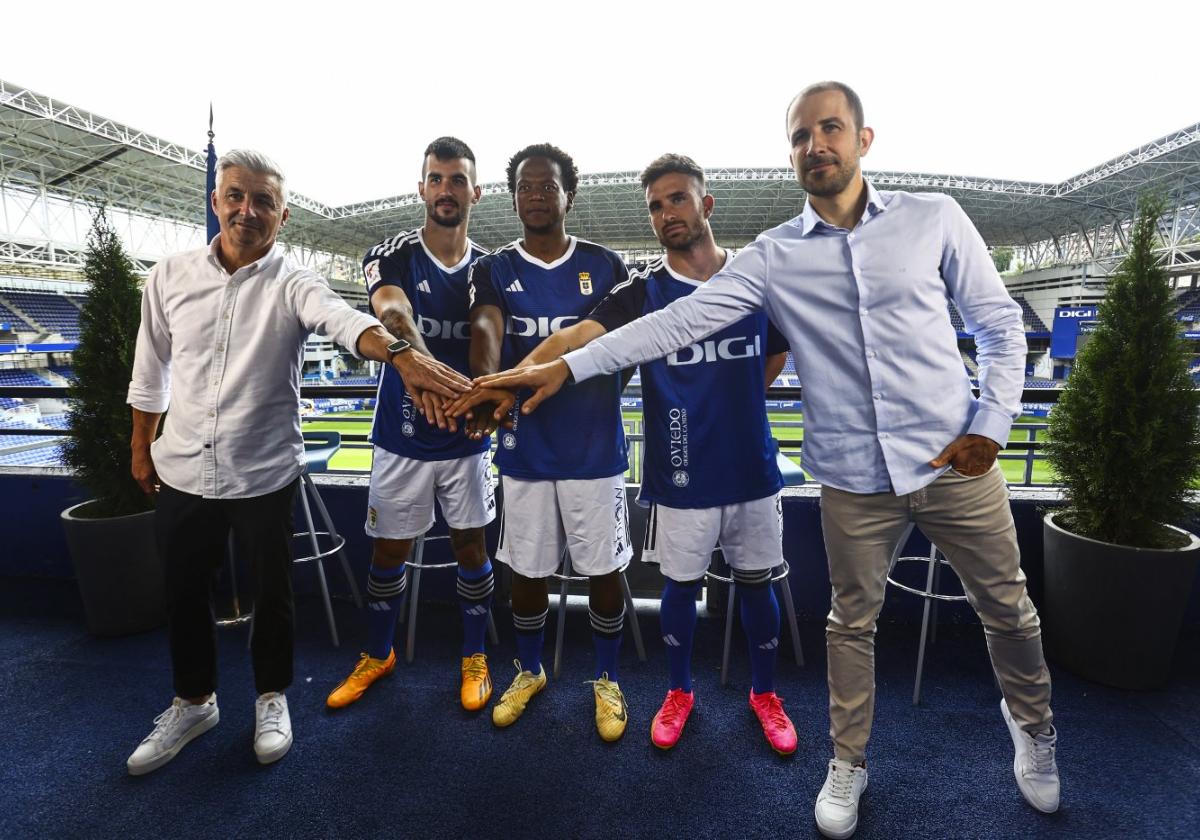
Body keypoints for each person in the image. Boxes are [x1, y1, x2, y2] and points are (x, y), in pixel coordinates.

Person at [461, 83, 1059, 838]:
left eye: (831, 128)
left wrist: (994, 421)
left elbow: (999, 324)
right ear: (792, 152)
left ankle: (1034, 730)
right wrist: (549, 369)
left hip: (934, 463)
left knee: (1006, 606)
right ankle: (843, 758)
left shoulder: (931, 217)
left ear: (863, 139)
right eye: (803, 134)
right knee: (849, 624)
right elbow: (650, 328)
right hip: (810, 476)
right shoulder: (768, 259)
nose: (818, 144)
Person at [125, 149, 469, 775]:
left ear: (281, 216)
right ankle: (194, 701)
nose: (245, 210)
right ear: (216, 201)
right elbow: (151, 371)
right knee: (182, 592)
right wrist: (139, 448)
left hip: (262, 469)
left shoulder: (294, 281)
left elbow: (344, 322)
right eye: (235, 196)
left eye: (261, 201)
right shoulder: (169, 275)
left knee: (273, 593)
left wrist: (399, 354)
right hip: (180, 468)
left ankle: (271, 697)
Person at [452, 153, 799, 753]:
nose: (667, 213)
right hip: (680, 468)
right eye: (657, 206)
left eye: (678, 199)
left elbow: (776, 351)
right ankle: (677, 692)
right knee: (677, 585)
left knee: (756, 581)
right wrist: (508, 383)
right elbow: (579, 337)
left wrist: (739, 400)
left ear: (705, 204)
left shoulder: (753, 280)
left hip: (750, 465)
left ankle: (764, 693)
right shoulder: (641, 289)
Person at [463, 143, 633, 741]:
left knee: (604, 569)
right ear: (513, 198)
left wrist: (602, 391)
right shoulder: (494, 268)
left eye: (547, 186)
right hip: (524, 450)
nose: (536, 195)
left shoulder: (607, 264)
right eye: (525, 187)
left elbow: (624, 347)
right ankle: (530, 669)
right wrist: (488, 388)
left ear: (569, 194)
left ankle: (607, 678)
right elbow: (487, 329)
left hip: (594, 450)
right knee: (526, 569)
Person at [325, 137, 498, 714]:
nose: (446, 189)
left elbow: (492, 345)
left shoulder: (490, 268)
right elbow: (393, 311)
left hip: (466, 439)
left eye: (457, 180)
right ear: (421, 187)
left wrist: (474, 400)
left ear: (475, 191)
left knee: (472, 548)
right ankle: (378, 654)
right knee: (389, 551)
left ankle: (474, 656)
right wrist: (423, 373)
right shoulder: (393, 251)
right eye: (436, 178)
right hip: (403, 434)